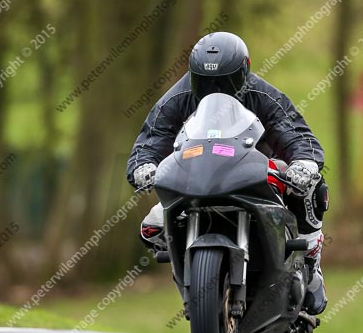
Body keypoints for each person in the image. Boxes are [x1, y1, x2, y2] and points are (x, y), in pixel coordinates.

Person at [126, 32, 329, 314]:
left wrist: (304, 162)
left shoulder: (262, 93)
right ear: (193, 75)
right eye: (205, 81)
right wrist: (143, 165)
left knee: (313, 185)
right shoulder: (177, 97)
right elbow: (153, 136)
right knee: (152, 228)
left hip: (253, 172)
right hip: (195, 176)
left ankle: (310, 259)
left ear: (244, 71)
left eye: (224, 80)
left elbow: (293, 131)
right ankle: (189, 275)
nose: (215, 88)